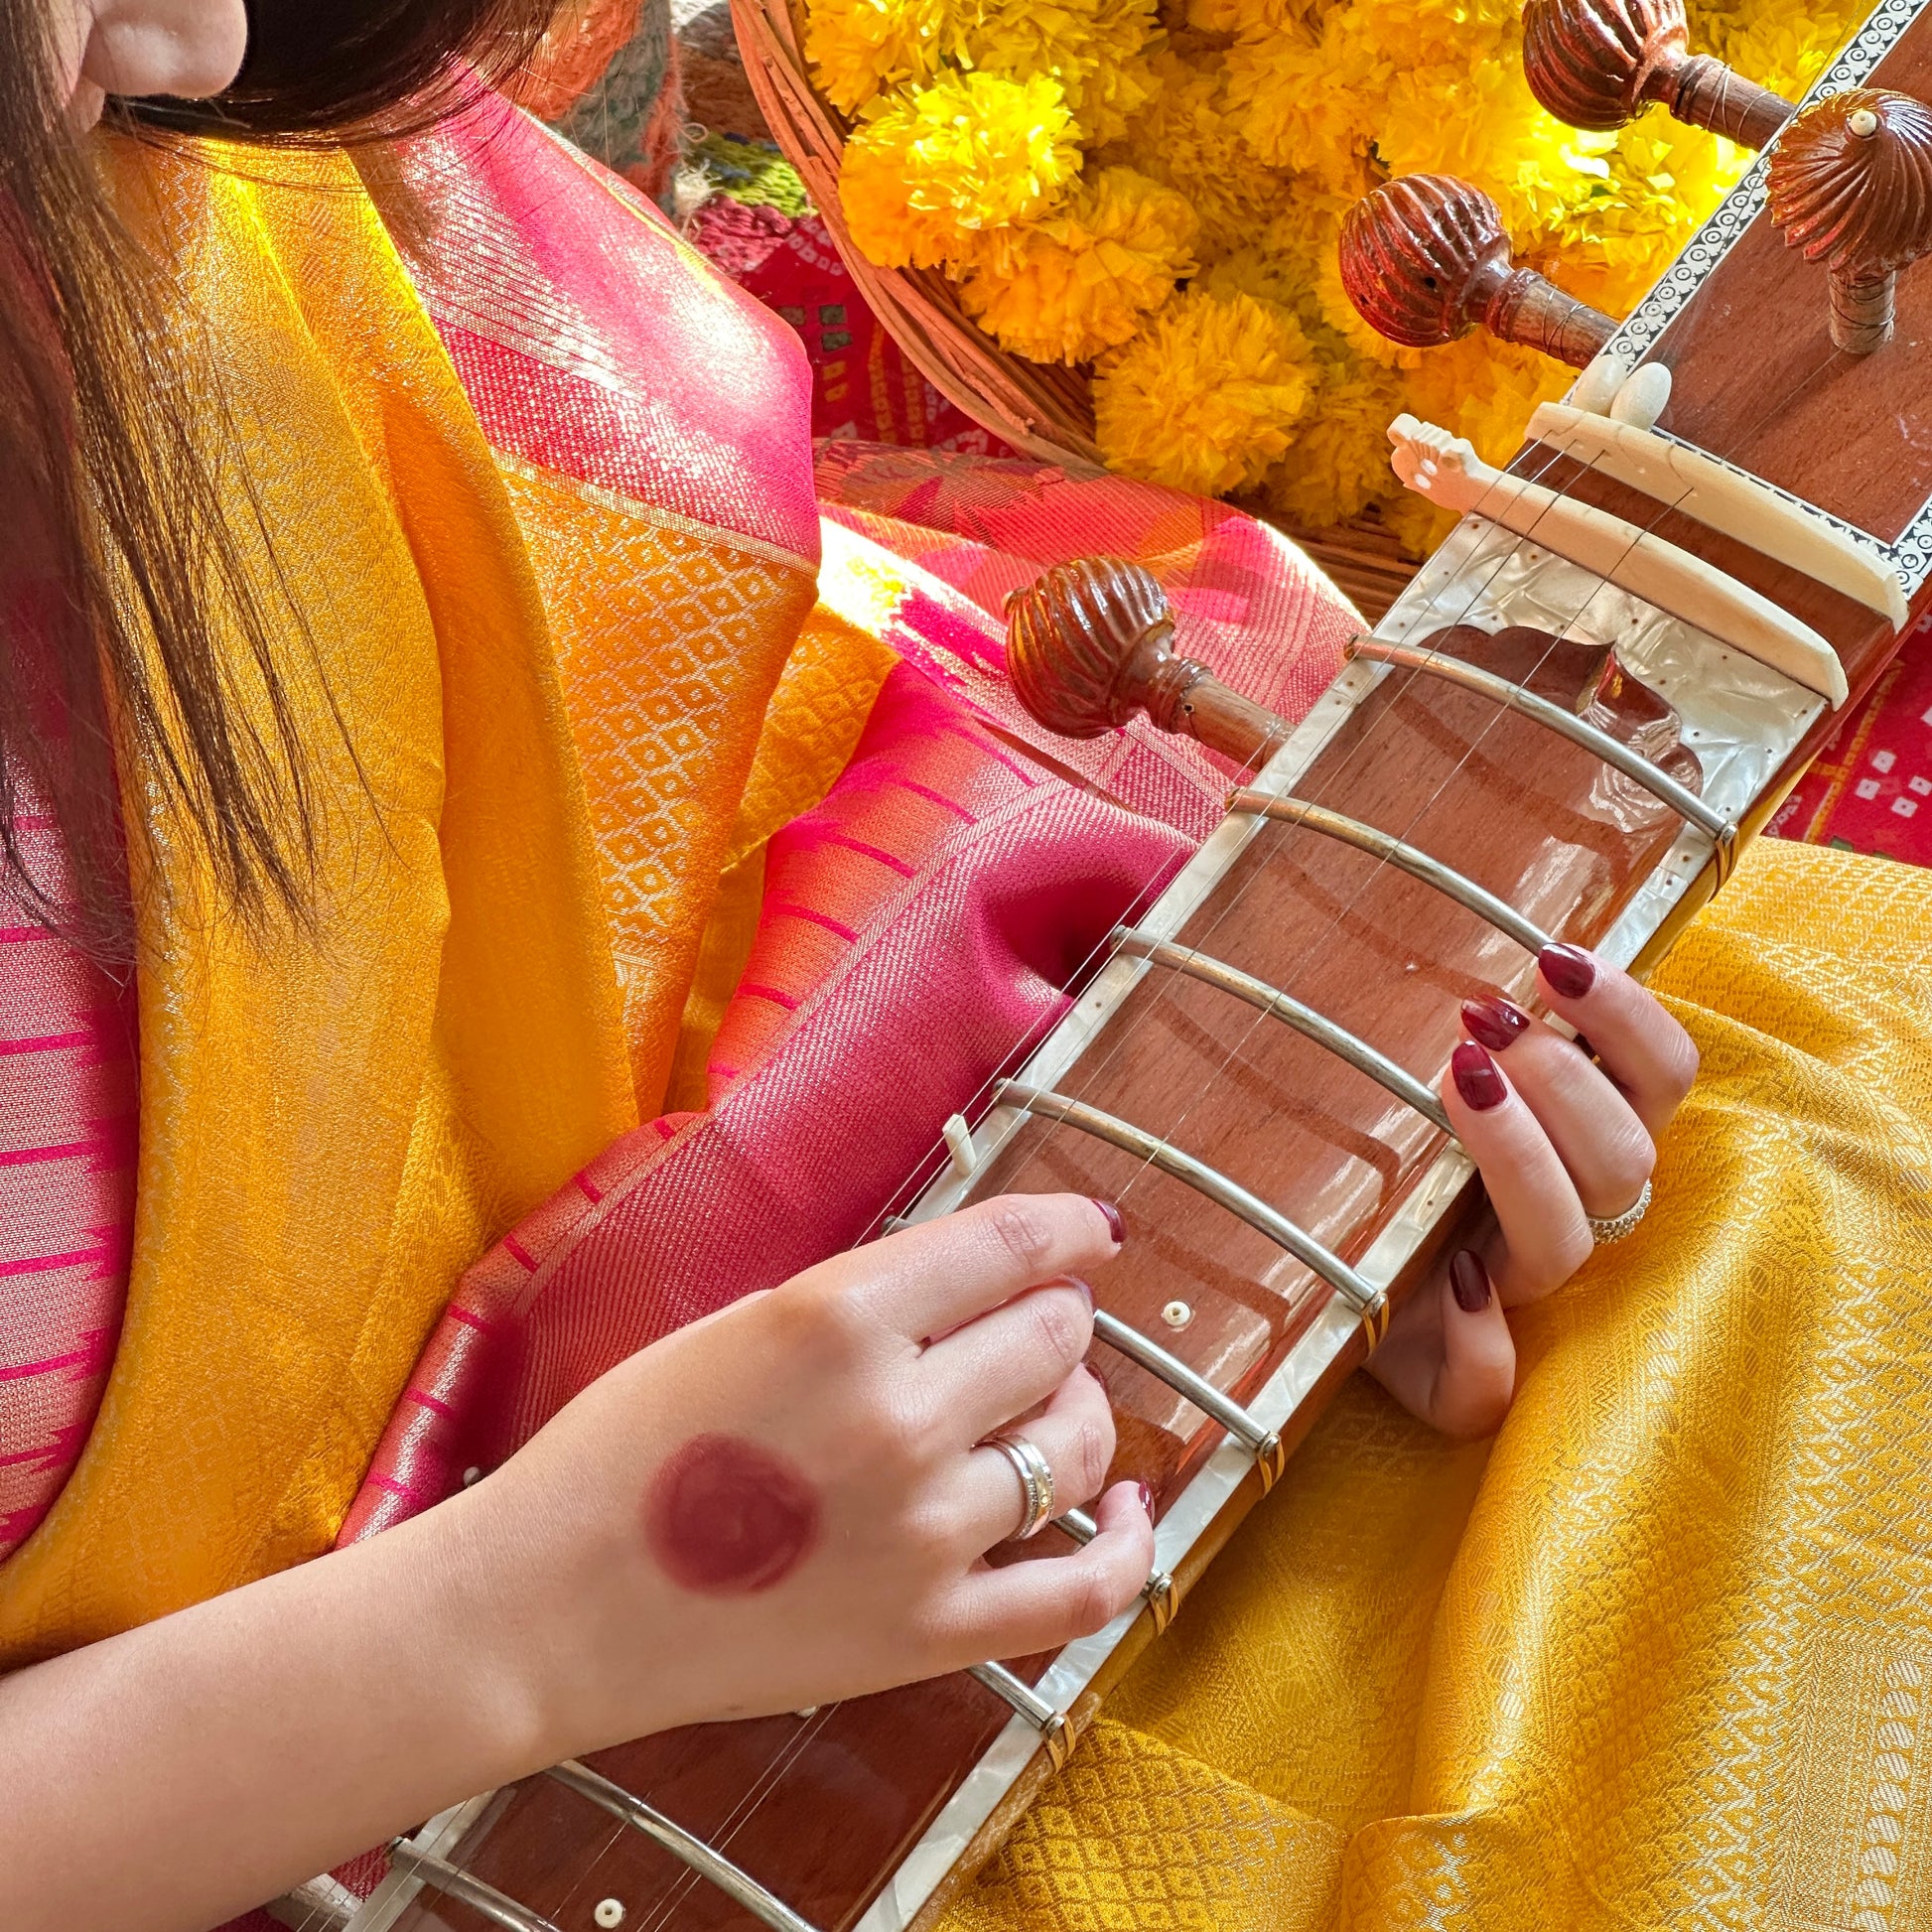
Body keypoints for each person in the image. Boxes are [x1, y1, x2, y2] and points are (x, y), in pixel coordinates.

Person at [1, 6, 1922, 1932]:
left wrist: (1251, 1157)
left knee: (1802, 1178)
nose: (208, 33)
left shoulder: (178, 196)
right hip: (398, 1710)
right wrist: (510, 1628)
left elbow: (669, 835)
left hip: (654, 1559)